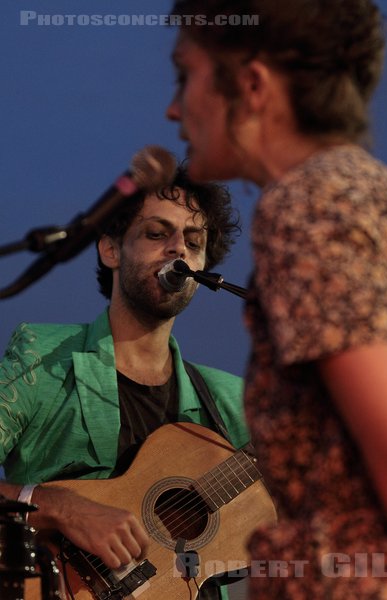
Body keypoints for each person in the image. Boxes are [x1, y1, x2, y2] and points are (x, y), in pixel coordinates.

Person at [166, 0, 387, 597]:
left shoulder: (308, 210)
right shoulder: (365, 193)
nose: (174, 108)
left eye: (185, 74)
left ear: (250, 84)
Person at [0, 158, 249, 600]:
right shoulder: (43, 357)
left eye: (194, 241)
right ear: (110, 250)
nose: (179, 250)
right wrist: (59, 507)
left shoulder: (231, 399)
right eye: (157, 234)